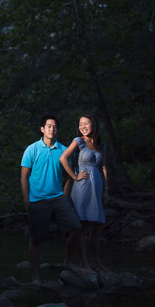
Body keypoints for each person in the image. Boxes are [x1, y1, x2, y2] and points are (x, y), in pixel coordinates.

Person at [21, 115, 93, 283]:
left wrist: (65, 195)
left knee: (75, 227)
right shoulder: (32, 149)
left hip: (58, 197)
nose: (51, 129)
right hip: (37, 199)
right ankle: (35, 277)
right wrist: (27, 200)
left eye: (54, 127)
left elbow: (70, 175)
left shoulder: (63, 149)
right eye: (48, 126)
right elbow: (24, 177)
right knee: (36, 239)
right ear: (42, 129)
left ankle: (67, 262)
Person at [60, 114, 109, 272]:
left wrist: (106, 190)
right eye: (80, 124)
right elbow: (63, 158)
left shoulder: (101, 145)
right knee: (80, 225)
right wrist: (74, 176)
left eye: (86, 123)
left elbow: (103, 168)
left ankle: (96, 261)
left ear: (93, 124)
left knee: (98, 225)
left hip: (97, 186)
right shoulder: (78, 141)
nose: (83, 126)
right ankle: (79, 262)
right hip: (82, 187)